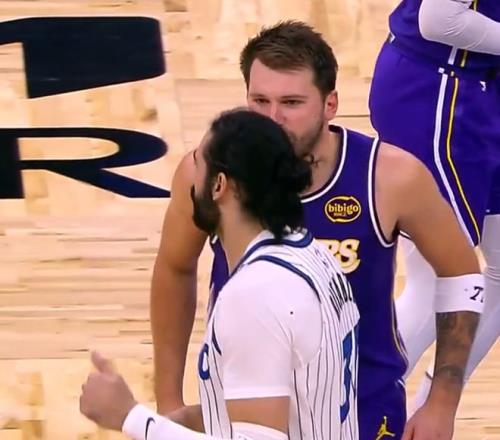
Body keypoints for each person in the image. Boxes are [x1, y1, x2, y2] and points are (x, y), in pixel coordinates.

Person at [151, 21, 484, 440]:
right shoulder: (206, 172)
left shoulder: (390, 177)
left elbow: (461, 273)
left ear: (330, 104)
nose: (273, 119)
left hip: (361, 412)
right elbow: (175, 268)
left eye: (291, 102)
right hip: (242, 409)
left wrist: (442, 401)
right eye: (259, 101)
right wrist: (167, 401)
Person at [79, 108, 360, 440]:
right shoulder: (314, 255)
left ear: (219, 186)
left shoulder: (254, 297)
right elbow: (287, 398)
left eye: (198, 163)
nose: (189, 177)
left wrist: (131, 418)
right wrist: (190, 420)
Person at [369, 0, 500, 416]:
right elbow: (439, 18)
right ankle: (349, 411)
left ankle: (426, 415)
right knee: (437, 280)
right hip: (439, 95)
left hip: (477, 90)